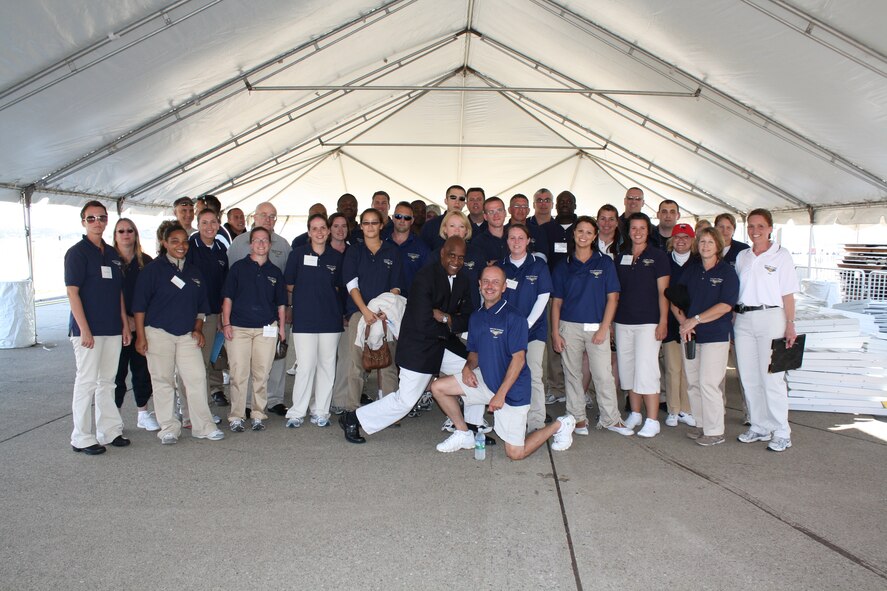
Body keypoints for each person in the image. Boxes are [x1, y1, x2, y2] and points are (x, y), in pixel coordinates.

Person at [339, 237, 476, 443]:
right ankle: (352, 418)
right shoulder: (425, 277)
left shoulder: (464, 280)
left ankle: (469, 426)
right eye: (452, 255)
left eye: (461, 257)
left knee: (473, 371)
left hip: (443, 344)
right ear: (442, 253)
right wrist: (449, 323)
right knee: (405, 402)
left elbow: (467, 317)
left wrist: (446, 318)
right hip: (418, 347)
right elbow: (422, 322)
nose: (456, 261)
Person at [431, 266, 576, 459]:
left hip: (512, 390)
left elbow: (519, 360)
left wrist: (500, 395)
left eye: (496, 282)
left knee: (515, 453)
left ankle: (561, 425)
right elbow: (474, 351)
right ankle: (463, 433)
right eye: (486, 281)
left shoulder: (515, 318)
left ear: (504, 287)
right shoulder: (476, 317)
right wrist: (467, 368)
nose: (490, 286)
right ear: (479, 284)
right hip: (487, 381)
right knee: (438, 387)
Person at [133, 223, 225, 445]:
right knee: (163, 380)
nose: (181, 246)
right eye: (174, 241)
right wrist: (141, 337)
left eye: (184, 241)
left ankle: (203, 426)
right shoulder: (152, 271)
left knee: (196, 377)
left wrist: (197, 329)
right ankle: (168, 428)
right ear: (164, 243)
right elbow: (139, 307)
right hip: (158, 333)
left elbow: (201, 307)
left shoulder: (194, 272)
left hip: (186, 334)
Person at [550, 216, 634, 437]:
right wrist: (555, 332)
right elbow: (556, 302)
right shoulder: (563, 265)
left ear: (595, 236)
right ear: (574, 234)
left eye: (589, 232)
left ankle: (611, 419)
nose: (584, 236)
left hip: (597, 326)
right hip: (569, 327)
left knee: (603, 375)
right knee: (573, 374)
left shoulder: (604, 262)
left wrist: (604, 328)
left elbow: (613, 298)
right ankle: (577, 418)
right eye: (580, 231)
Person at [65, 201, 131, 455]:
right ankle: (81, 436)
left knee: (109, 382)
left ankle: (110, 430)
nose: (97, 222)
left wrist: (124, 324)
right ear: (83, 222)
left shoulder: (112, 254)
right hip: (88, 331)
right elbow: (72, 293)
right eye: (91, 218)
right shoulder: (77, 253)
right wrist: (84, 329)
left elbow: (118, 293)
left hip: (112, 328)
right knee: (87, 381)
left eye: (101, 218)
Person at [734, 208, 799, 452]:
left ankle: (782, 430)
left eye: (760, 226)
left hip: (771, 317)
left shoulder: (781, 256)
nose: (755, 231)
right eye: (751, 226)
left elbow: (788, 294)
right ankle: (760, 425)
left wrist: (790, 324)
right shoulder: (743, 257)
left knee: (772, 377)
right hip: (743, 319)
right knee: (749, 377)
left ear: (770, 228)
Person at [672, 227, 739, 446]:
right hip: (690, 335)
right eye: (702, 242)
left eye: (710, 242)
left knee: (709, 383)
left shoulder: (727, 272)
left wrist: (696, 319)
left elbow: (725, 306)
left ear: (718, 245)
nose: (705, 246)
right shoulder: (691, 270)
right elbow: (674, 299)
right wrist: (684, 322)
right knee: (693, 383)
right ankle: (701, 424)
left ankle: (715, 431)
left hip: (715, 336)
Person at [227, 202, 292, 416]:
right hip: (242, 318)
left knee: (274, 361)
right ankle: (245, 404)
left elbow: (287, 280)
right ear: (254, 216)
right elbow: (230, 281)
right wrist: (225, 319)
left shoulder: (283, 244)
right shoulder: (238, 243)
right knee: (243, 364)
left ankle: (273, 400)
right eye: (264, 215)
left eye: (273, 216)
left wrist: (286, 313)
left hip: (272, 316)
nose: (268, 219)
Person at [337, 208, 403, 416]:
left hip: (386, 316)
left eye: (374, 223)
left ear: (382, 225)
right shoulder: (354, 251)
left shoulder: (392, 252)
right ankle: (352, 411)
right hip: (360, 314)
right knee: (356, 364)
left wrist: (383, 311)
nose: (370, 227)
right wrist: (365, 311)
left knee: (387, 364)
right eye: (366, 223)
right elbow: (351, 283)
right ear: (361, 226)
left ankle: (389, 412)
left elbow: (397, 286)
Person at [284, 214, 344, 428]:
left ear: (328, 232)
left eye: (323, 228)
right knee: (306, 366)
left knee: (327, 366)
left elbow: (339, 288)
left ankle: (320, 411)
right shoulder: (297, 255)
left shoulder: (336, 258)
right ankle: (297, 411)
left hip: (330, 320)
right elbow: (289, 284)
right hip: (304, 320)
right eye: (314, 228)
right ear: (308, 232)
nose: (319, 232)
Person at [614, 213, 670, 438]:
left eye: (642, 228)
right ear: (628, 231)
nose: (637, 232)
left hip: (649, 322)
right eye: (634, 228)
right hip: (623, 321)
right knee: (628, 369)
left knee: (646, 370)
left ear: (648, 231)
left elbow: (663, 293)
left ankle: (652, 419)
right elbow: (615, 293)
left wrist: (663, 321)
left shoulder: (658, 256)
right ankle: (635, 413)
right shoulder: (621, 257)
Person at [499, 224, 552, 433]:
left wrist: (527, 324)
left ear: (528, 241)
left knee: (534, 374)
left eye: (521, 238)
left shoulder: (538, 266)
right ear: (507, 241)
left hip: (533, 331)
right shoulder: (500, 267)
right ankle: (511, 416)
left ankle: (537, 421)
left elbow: (544, 296)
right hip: (507, 333)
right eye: (512, 238)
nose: (516, 242)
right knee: (507, 374)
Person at [112, 218, 159, 432]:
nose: (126, 234)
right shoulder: (108, 260)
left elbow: (154, 296)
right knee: (117, 375)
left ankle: (142, 413)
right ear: (115, 235)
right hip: (115, 328)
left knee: (142, 372)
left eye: (130, 230)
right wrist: (124, 321)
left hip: (141, 326)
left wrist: (139, 322)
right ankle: (114, 417)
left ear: (136, 234)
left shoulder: (147, 263)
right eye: (121, 231)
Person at [186, 208, 229, 409]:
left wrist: (222, 314)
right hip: (193, 314)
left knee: (209, 358)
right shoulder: (189, 247)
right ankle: (193, 408)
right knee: (195, 362)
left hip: (213, 313)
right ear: (197, 224)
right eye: (204, 222)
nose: (209, 227)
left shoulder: (221, 249)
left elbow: (224, 284)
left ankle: (207, 399)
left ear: (219, 225)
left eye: (213, 222)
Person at [662, 223, 697, 428]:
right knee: (672, 367)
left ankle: (686, 409)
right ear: (671, 241)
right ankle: (673, 409)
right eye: (677, 237)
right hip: (671, 320)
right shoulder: (665, 261)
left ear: (692, 240)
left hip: (693, 323)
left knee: (688, 368)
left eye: (686, 237)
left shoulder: (698, 262)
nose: (681, 241)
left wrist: (691, 321)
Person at [428, 210, 486, 309]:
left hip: (470, 312)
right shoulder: (435, 256)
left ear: (467, 231)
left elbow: (484, 282)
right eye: (452, 226)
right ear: (445, 229)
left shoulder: (477, 254)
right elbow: (428, 287)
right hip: (441, 312)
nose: (457, 230)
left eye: (461, 226)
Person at [387, 201, 429, 297]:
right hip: (382, 303)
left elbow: (428, 279)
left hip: (411, 304)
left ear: (412, 220)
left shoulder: (422, 247)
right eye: (398, 216)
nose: (402, 220)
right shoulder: (381, 243)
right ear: (393, 218)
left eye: (407, 218)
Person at [420, 185, 466, 249]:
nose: (457, 202)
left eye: (461, 199)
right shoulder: (430, 226)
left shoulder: (470, 227)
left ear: (464, 203)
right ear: (446, 201)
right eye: (453, 198)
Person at [507, 194, 548, 260]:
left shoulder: (538, 231)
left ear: (528, 211)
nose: (521, 209)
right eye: (517, 206)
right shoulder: (503, 231)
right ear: (509, 210)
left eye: (524, 206)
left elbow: (542, 257)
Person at [472, 196, 508, 265]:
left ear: (505, 213)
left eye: (499, 210)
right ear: (485, 216)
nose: (496, 215)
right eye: (491, 212)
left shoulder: (514, 237)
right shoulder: (478, 243)